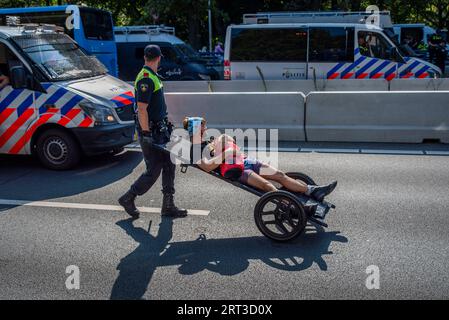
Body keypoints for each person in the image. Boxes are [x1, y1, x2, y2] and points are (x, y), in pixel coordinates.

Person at [184, 117, 337, 202]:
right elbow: (207, 167)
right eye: (202, 126)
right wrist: (225, 152)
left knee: (279, 175)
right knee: (268, 186)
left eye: (204, 126)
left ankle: (313, 191)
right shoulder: (195, 148)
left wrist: (223, 142)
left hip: (243, 160)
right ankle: (296, 206)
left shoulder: (208, 140)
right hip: (234, 170)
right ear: (195, 129)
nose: (205, 128)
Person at [118, 44, 187, 219]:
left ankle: (168, 205)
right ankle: (128, 197)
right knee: (154, 169)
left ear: (145, 58)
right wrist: (147, 133)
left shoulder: (152, 76)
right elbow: (142, 109)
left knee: (169, 164)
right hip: (151, 132)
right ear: (159, 58)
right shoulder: (146, 78)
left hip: (159, 129)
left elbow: (155, 105)